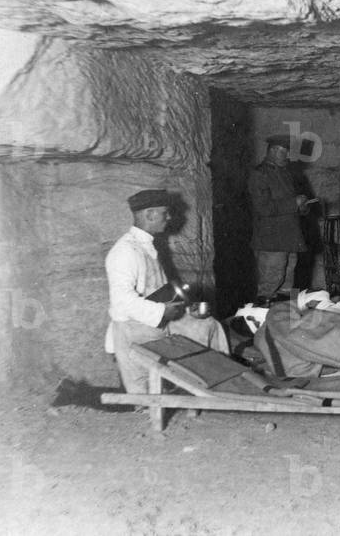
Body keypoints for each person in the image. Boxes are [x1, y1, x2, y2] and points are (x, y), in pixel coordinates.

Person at [104, 189, 229, 394]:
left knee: (208, 325)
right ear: (150, 214)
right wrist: (162, 312)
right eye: (165, 212)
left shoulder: (149, 246)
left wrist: (185, 308)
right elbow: (122, 302)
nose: (169, 217)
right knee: (147, 393)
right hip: (134, 327)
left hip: (158, 320)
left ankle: (214, 382)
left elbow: (161, 291)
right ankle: (185, 389)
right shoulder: (125, 251)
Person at [249, 134, 312, 303]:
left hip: (290, 239)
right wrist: (294, 203)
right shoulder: (259, 174)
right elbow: (263, 207)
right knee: (269, 286)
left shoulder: (286, 173)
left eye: (286, 151)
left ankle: (287, 323)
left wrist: (302, 207)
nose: (285, 155)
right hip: (272, 241)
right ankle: (260, 323)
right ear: (271, 151)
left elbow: (290, 205)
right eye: (281, 151)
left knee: (288, 288)